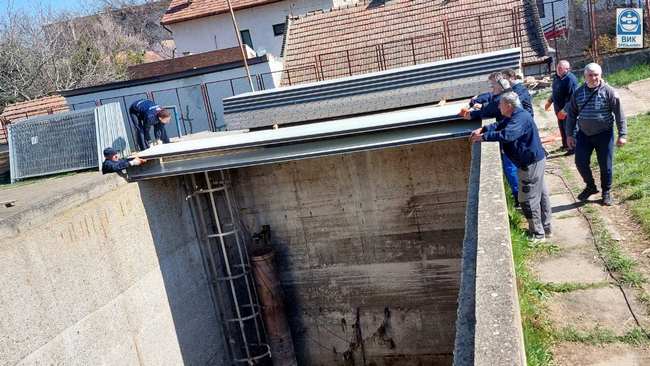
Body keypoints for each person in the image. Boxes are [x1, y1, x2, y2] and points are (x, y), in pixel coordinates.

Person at [470, 92, 552, 240]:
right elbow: (500, 125)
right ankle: (546, 228)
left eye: (500, 104)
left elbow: (507, 135)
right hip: (534, 160)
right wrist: (483, 129)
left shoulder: (519, 118)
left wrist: (483, 138)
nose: (498, 107)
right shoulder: (514, 115)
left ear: (508, 106)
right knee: (541, 195)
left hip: (530, 164)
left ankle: (538, 234)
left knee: (527, 200)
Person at [565, 62, 627, 206]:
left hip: (604, 134)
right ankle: (591, 186)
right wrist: (569, 135)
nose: (594, 78)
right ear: (585, 76)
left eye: (596, 75)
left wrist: (622, 134)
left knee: (605, 165)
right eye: (590, 75)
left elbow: (619, 114)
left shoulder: (609, 91)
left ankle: (606, 192)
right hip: (584, 135)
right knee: (580, 162)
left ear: (601, 75)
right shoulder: (578, 93)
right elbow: (572, 115)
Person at [462, 72, 520, 206]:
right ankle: (521, 196)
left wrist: (470, 115)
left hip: (511, 140)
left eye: (493, 85)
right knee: (514, 168)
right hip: (512, 135)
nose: (491, 88)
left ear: (500, 86)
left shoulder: (501, 100)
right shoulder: (505, 95)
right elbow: (489, 97)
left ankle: (519, 198)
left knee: (510, 168)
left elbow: (487, 110)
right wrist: (477, 99)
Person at [545, 60, 579, 155]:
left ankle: (573, 148)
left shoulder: (570, 79)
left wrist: (565, 110)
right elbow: (555, 92)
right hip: (558, 109)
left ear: (567, 69)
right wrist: (549, 101)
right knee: (562, 128)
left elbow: (573, 97)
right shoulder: (557, 78)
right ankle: (565, 145)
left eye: (561, 68)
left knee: (570, 128)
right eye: (557, 68)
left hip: (568, 110)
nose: (558, 70)